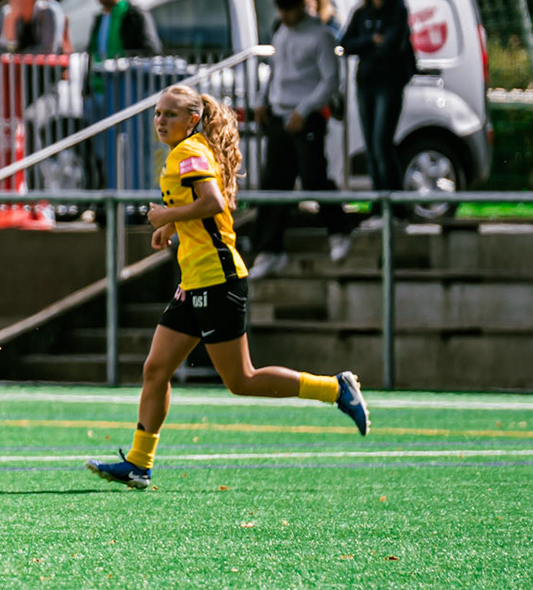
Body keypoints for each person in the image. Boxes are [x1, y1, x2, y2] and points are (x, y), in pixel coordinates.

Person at [86, 84, 369, 490]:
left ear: (193, 120)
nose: (161, 121)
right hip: (195, 280)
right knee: (156, 369)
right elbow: (203, 211)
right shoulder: (186, 151)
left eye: (170, 114)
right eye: (157, 113)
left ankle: (334, 389)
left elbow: (215, 202)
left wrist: (166, 214)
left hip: (218, 281)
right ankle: (139, 463)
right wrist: (171, 225)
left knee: (242, 380)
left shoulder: (189, 152)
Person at [249, 0, 354, 277]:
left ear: (301, 8)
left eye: (288, 11)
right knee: (273, 183)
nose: (284, 16)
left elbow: (330, 80)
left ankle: (338, 232)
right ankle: (269, 250)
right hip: (280, 115)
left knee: (313, 176)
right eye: (280, 11)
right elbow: (275, 71)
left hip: (305, 117)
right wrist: (262, 101)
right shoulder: (281, 32)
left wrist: (304, 110)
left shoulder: (320, 35)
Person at [341, 0, 414, 213]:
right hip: (366, 83)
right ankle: (378, 203)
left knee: (382, 142)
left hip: (389, 83)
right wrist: (372, 39)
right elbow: (346, 44)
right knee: (371, 147)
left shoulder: (397, 10)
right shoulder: (362, 13)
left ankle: (394, 205)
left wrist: (372, 44)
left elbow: (392, 43)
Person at [83, 0, 161, 190]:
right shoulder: (99, 19)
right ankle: (104, 198)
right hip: (99, 92)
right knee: (101, 152)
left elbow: (150, 48)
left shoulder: (133, 14)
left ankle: (130, 196)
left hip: (126, 94)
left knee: (128, 148)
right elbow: (92, 54)